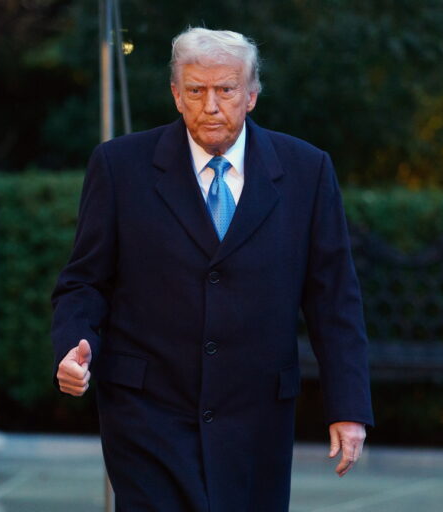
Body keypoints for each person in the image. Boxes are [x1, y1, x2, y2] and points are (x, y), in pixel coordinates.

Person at [51, 27, 373, 512]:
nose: (211, 105)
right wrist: (74, 347)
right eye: (197, 90)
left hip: (256, 414)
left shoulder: (307, 170)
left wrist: (348, 408)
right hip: (146, 412)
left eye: (225, 90)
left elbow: (334, 300)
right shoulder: (120, 166)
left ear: (251, 96)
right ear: (177, 96)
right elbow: (84, 281)